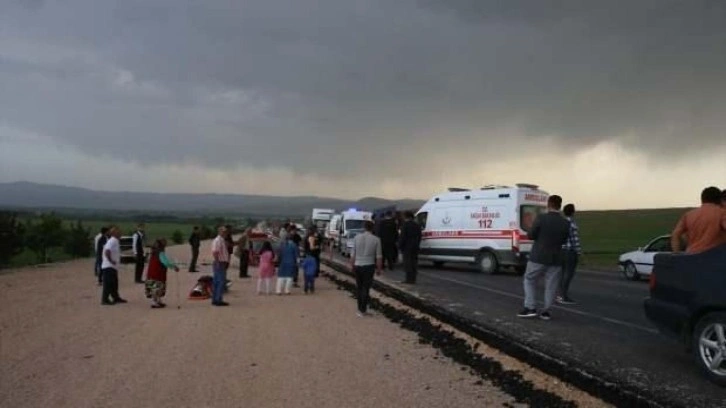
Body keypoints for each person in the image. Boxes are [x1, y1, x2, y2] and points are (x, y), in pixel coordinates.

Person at [518, 195, 571, 321]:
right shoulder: (565, 223)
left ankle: (530, 307)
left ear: (549, 204)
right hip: (557, 258)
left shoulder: (541, 218)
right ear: (560, 205)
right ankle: (546, 311)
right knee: (551, 285)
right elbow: (564, 239)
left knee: (529, 279)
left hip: (538, 256)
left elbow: (531, 235)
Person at [671, 186, 726, 254]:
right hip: (714, 257)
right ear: (719, 200)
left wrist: (676, 253)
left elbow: (675, 234)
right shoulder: (722, 213)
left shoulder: (688, 215)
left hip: (692, 255)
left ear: (702, 199)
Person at [350, 220, 382, 316]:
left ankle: (359, 309)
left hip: (358, 264)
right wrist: (379, 269)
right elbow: (379, 257)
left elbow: (353, 254)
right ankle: (363, 309)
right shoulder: (376, 239)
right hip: (369, 266)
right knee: (366, 288)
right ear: (373, 228)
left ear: (364, 227)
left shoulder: (356, 238)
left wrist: (352, 265)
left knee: (359, 288)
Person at [557, 204, 581, 305]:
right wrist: (579, 251)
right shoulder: (571, 223)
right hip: (570, 251)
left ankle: (559, 294)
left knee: (562, 273)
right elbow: (574, 239)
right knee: (568, 274)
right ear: (572, 212)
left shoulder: (561, 223)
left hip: (561, 251)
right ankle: (564, 296)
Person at [145, 239, 179, 308]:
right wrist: (174, 266)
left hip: (151, 272)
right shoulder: (160, 253)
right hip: (158, 273)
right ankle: (155, 302)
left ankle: (158, 301)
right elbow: (166, 262)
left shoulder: (153, 252)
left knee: (153, 286)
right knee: (158, 287)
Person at [100, 226, 127, 305]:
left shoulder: (115, 241)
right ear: (114, 233)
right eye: (119, 232)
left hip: (113, 267)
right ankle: (104, 299)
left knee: (114, 283)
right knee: (108, 283)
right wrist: (111, 260)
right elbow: (107, 251)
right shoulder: (112, 241)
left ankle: (116, 297)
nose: (120, 233)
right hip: (109, 266)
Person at [398, 211, 422, 284]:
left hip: (407, 247)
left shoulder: (405, 225)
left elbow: (403, 237)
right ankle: (413, 279)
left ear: (405, 216)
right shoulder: (417, 225)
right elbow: (420, 236)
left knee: (408, 264)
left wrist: (400, 246)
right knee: (414, 263)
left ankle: (408, 279)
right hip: (415, 246)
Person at [211, 226, 230, 306]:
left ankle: (215, 299)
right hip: (220, 262)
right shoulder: (218, 240)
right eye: (223, 231)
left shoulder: (221, 240)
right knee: (220, 281)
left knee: (216, 282)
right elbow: (215, 252)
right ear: (219, 232)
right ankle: (218, 299)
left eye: (225, 231)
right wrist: (217, 262)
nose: (225, 233)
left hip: (221, 262)